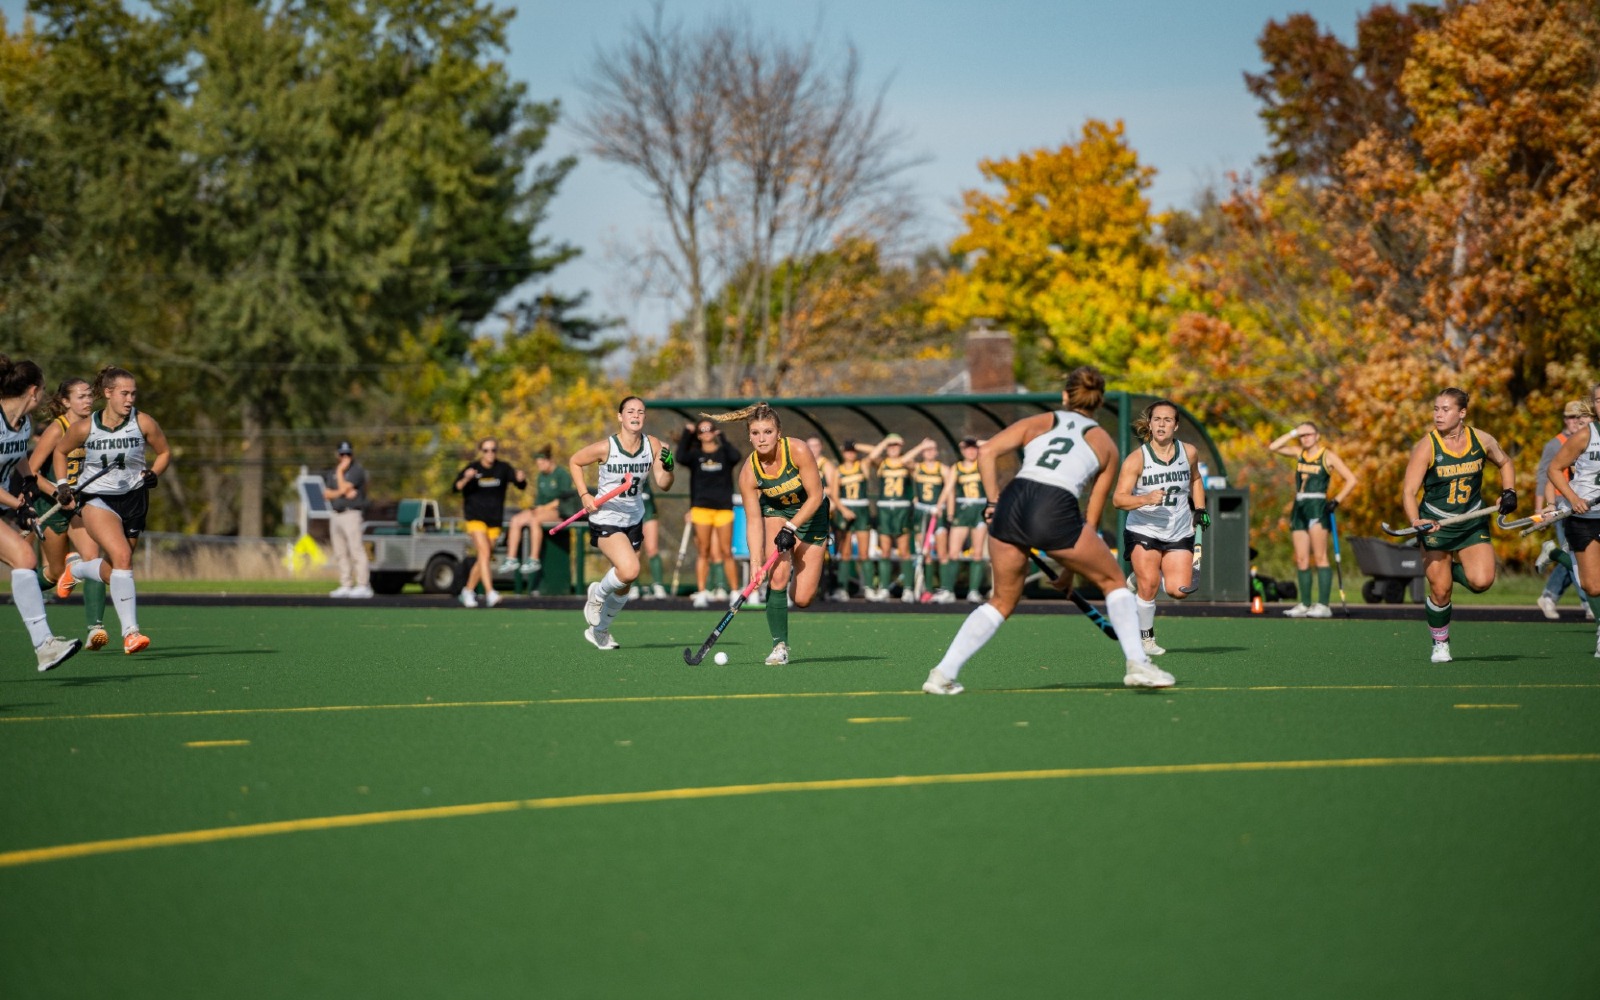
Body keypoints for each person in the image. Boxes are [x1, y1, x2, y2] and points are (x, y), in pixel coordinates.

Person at [922, 367, 1172, 694]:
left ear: (1066, 396)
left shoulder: (1042, 420)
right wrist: (1071, 568)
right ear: (1099, 402)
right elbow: (1091, 518)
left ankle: (942, 674)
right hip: (1055, 505)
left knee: (1001, 600)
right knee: (1112, 581)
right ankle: (1138, 663)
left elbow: (986, 452)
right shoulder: (1106, 445)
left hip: (1013, 500)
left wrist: (993, 501)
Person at [49, 365, 171, 656]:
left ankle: (77, 569)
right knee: (123, 557)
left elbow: (164, 452)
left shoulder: (143, 422)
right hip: (98, 500)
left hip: (135, 499)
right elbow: (60, 452)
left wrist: (154, 473)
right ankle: (131, 633)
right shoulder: (86, 427)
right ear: (108, 393)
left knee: (117, 569)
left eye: (133, 394)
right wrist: (63, 485)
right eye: (124, 393)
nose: (130, 399)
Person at [704, 403, 829, 665]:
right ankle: (779, 646)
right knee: (777, 577)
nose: (762, 438)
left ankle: (804, 561)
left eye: (768, 432)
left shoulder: (798, 450)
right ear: (749, 436)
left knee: (802, 599)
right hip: (776, 512)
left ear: (778, 433)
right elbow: (753, 521)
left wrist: (791, 528)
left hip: (812, 515)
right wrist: (755, 562)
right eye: (756, 433)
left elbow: (816, 496)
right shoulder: (749, 472)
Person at [1400, 387, 1517, 664]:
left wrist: (1509, 491)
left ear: (1462, 413)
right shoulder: (1427, 446)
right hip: (1436, 524)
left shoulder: (1481, 439)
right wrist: (1416, 521)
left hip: (1471, 521)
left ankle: (1444, 571)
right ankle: (1440, 643)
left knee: (1482, 581)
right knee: (1441, 591)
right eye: (1436, 409)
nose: (1438, 415)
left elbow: (1505, 462)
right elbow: (1408, 491)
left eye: (1446, 409)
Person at [569, 395, 675, 649]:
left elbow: (664, 483)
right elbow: (575, 461)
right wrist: (584, 495)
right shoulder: (607, 447)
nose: (636, 415)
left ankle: (600, 631)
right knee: (629, 570)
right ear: (620, 416)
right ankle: (597, 594)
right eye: (630, 411)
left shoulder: (652, 445)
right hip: (606, 517)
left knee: (625, 582)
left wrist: (669, 467)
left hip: (634, 518)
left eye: (640, 411)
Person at [0, 356, 82, 671]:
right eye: (43, 389)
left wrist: (29, 482)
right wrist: (18, 504)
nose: (44, 395)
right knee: (25, 556)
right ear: (33, 391)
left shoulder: (24, 424)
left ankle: (45, 646)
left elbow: (19, 455)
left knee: (24, 557)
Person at [1112, 400, 1208, 657]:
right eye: (1157, 419)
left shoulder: (1189, 452)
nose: (1162, 424)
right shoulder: (1136, 459)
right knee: (1150, 585)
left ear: (1175, 425)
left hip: (1179, 530)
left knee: (1179, 591)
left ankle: (1139, 576)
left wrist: (1200, 509)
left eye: (1168, 420)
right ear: (1150, 424)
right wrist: (1145, 498)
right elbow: (1118, 499)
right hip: (1144, 529)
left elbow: (1196, 479)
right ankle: (1147, 639)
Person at [27, 377, 109, 649]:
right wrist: (58, 494)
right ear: (65, 401)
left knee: (92, 558)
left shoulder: (95, 426)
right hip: (51, 505)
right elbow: (32, 472)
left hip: (81, 504)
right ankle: (24, 587)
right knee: (54, 573)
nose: (88, 401)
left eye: (89, 396)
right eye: (81, 396)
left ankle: (96, 629)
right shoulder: (57, 429)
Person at [1266, 420, 1360, 618]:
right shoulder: (1299, 453)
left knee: (1320, 557)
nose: (1305, 438)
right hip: (1299, 506)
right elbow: (1273, 447)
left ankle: (1324, 605)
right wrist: (1293, 432)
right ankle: (1305, 603)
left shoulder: (1327, 456)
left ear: (1317, 436)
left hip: (1317, 506)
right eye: (1302, 435)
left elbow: (1351, 479)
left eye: (1309, 434)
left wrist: (1337, 500)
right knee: (1301, 558)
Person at [1544, 383, 1600, 655]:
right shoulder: (1585, 435)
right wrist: (1573, 498)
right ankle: (1556, 554)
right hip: (1585, 517)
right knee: (1592, 585)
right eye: (1599, 400)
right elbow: (1554, 469)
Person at [676, 419, 743, 609]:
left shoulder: (724, 453)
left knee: (726, 551)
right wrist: (686, 434)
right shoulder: (695, 455)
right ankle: (702, 592)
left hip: (723, 508)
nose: (706, 433)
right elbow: (680, 457)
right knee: (703, 551)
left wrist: (723, 438)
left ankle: (734, 591)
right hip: (701, 508)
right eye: (702, 431)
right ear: (698, 435)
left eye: (709, 429)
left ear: (715, 432)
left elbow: (736, 456)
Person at [1534, 401, 1592, 620]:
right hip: (1567, 506)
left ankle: (1550, 590)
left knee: (1578, 555)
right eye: (1572, 418)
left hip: (1590, 506)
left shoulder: (1591, 441)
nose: (1575, 423)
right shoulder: (1560, 444)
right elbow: (1548, 476)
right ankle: (1588, 602)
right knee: (1578, 556)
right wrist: (1546, 508)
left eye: (1581, 419)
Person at [451, 437, 525, 608]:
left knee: (484, 557)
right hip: (475, 518)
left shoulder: (503, 468)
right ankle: (490, 592)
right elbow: (456, 487)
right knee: (484, 553)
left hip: (494, 520)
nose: (490, 453)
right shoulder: (472, 468)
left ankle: (468, 590)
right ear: (481, 452)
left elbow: (520, 484)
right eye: (486, 450)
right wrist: (466, 478)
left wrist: (521, 479)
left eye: (493, 450)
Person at [501, 446, 579, 576]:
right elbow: (539, 501)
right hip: (542, 510)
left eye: (542, 463)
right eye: (538, 464)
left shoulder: (561, 474)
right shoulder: (541, 477)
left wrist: (544, 508)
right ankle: (511, 558)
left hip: (559, 511)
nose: (540, 466)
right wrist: (536, 508)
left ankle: (534, 559)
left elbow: (563, 499)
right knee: (516, 520)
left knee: (534, 520)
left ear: (550, 461)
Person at [943, 437, 991, 603]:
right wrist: (943, 508)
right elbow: (949, 490)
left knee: (977, 553)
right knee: (953, 552)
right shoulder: (956, 468)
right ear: (962, 451)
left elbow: (992, 445)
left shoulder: (983, 464)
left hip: (979, 510)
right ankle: (948, 590)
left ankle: (973, 591)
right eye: (967, 448)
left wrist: (977, 442)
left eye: (973, 448)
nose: (971, 451)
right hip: (962, 511)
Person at [323, 440, 372, 599]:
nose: (345, 457)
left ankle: (363, 585)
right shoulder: (331, 472)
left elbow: (344, 487)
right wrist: (341, 492)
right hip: (336, 514)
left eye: (348, 454)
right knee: (340, 552)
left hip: (351, 514)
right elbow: (327, 494)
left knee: (356, 549)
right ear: (338, 455)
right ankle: (346, 585)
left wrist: (340, 473)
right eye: (342, 454)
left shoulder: (356, 470)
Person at [833, 440, 878, 601]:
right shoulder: (838, 470)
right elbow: (835, 495)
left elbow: (875, 451)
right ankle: (842, 589)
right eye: (847, 451)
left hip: (862, 511)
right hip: (845, 510)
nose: (850, 453)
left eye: (852, 451)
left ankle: (869, 588)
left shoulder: (862, 465)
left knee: (864, 553)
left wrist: (857, 445)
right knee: (844, 553)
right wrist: (844, 510)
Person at [805, 436, 847, 601]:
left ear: (821, 447)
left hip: (822, 512)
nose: (813, 449)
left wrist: (817, 491)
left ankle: (825, 588)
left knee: (823, 551)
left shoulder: (826, 465)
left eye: (816, 445)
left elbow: (834, 492)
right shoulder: (803, 463)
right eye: (810, 445)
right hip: (806, 512)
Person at [910, 441, 952, 602]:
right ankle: (927, 590)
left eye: (932, 449)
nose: (929, 452)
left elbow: (948, 489)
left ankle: (946, 589)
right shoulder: (917, 468)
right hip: (922, 514)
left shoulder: (943, 469)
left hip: (937, 514)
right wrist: (920, 446)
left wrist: (941, 506)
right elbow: (903, 461)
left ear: (936, 452)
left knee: (942, 553)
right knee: (925, 553)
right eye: (926, 450)